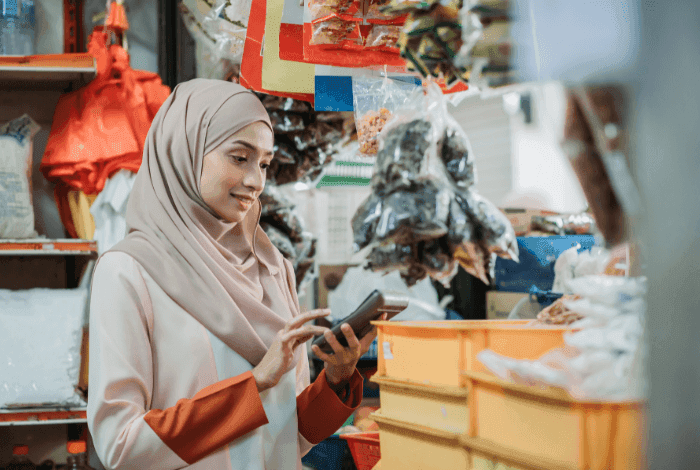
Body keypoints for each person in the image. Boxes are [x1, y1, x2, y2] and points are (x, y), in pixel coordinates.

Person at [87, 79, 378, 469]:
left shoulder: (274, 270)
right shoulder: (129, 272)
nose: (256, 182)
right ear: (185, 151)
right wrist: (254, 385)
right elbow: (120, 448)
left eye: (263, 164)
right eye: (239, 158)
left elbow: (292, 436)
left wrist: (338, 377)